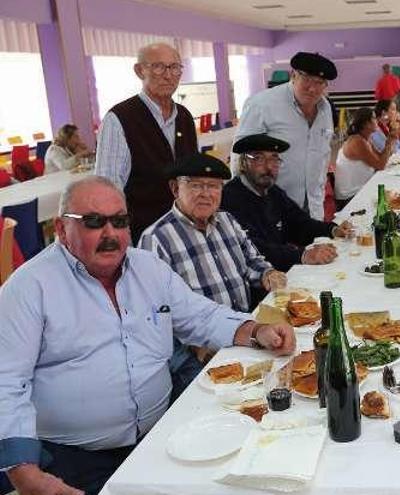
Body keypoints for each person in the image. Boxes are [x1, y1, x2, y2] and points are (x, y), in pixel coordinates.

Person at [0, 176, 295, 495]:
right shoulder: (29, 288)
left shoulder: (147, 268)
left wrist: (256, 330)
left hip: (166, 434)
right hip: (76, 459)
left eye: (120, 221)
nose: (110, 234)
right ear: (60, 229)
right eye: (94, 222)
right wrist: (24, 471)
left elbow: (199, 315)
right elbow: (7, 380)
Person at [138, 153, 288, 398]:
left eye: (214, 186)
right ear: (175, 188)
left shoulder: (227, 221)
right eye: (196, 185)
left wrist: (267, 274)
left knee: (285, 380)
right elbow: (155, 315)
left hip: (244, 331)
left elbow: (252, 262)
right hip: (198, 351)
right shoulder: (156, 239)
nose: (206, 194)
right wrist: (197, 348)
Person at [95, 42, 197, 241]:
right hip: (143, 236)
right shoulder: (119, 119)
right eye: (158, 67)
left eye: (174, 68)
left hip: (185, 231)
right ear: (139, 71)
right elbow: (108, 190)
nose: (168, 75)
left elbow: (193, 173)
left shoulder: (184, 117)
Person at [222, 134, 352, 272]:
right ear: (243, 163)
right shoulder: (230, 199)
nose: (268, 167)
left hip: (281, 271)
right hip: (257, 281)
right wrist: (303, 255)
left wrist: (332, 230)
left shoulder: (272, 191)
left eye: (274, 159)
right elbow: (253, 248)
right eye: (259, 159)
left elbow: (299, 223)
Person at [235, 52, 337, 220]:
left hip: (313, 208)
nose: (312, 88)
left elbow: (323, 156)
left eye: (319, 83)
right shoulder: (262, 104)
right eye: (307, 80)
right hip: (270, 208)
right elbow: (239, 156)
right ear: (293, 75)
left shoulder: (325, 110)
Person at [334, 108, 399, 210]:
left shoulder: (366, 139)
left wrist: (391, 141)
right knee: (394, 199)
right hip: (350, 198)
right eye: (373, 118)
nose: (377, 121)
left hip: (362, 189)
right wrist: (389, 142)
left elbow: (381, 158)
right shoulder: (357, 141)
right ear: (366, 124)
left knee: (396, 186)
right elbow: (380, 165)